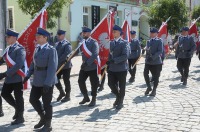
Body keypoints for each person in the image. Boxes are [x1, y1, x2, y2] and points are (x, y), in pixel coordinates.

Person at [24, 28, 58, 131]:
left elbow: (52, 68)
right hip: (37, 80)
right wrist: (28, 75)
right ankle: (43, 117)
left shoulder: (51, 50)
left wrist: (47, 83)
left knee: (47, 103)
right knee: (33, 99)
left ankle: (48, 124)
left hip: (47, 80)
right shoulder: (37, 49)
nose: (36, 38)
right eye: (36, 36)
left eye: (38, 37)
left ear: (45, 38)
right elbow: (33, 64)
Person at [0, 29, 26, 125]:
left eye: (8, 37)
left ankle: (21, 116)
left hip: (17, 77)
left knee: (18, 97)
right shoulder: (8, 49)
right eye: (6, 37)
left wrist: (4, 74)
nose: (6, 39)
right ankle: (17, 109)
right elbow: (2, 60)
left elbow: (19, 64)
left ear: (14, 38)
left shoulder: (20, 49)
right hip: (10, 78)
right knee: (5, 93)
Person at [107, 25, 129, 110]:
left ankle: (121, 101)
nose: (113, 33)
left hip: (121, 68)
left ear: (120, 33)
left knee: (122, 86)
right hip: (112, 68)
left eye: (115, 32)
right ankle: (118, 96)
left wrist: (114, 60)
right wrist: (109, 62)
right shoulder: (111, 42)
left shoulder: (124, 43)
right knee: (110, 84)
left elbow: (125, 55)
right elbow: (110, 54)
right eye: (113, 32)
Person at [78, 27, 99, 107]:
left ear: (90, 33)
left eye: (85, 32)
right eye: (83, 32)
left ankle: (93, 99)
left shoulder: (94, 42)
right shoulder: (82, 42)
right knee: (80, 81)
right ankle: (86, 97)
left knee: (93, 83)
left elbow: (95, 54)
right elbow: (76, 51)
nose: (84, 34)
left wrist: (87, 63)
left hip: (92, 66)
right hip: (84, 67)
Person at [144, 27, 163, 96]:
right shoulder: (148, 41)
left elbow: (160, 51)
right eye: (150, 33)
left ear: (156, 34)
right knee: (145, 74)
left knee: (155, 76)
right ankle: (149, 87)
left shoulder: (159, 41)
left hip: (156, 62)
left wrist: (153, 57)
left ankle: (154, 90)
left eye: (152, 33)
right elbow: (148, 50)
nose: (151, 34)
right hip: (148, 61)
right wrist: (144, 51)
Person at [55, 30, 72, 102]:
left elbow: (66, 55)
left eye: (59, 35)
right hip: (58, 65)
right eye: (57, 35)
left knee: (66, 80)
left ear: (63, 35)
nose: (58, 36)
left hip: (65, 66)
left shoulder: (67, 44)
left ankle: (67, 95)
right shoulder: (56, 44)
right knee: (55, 79)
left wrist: (56, 61)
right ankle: (61, 92)